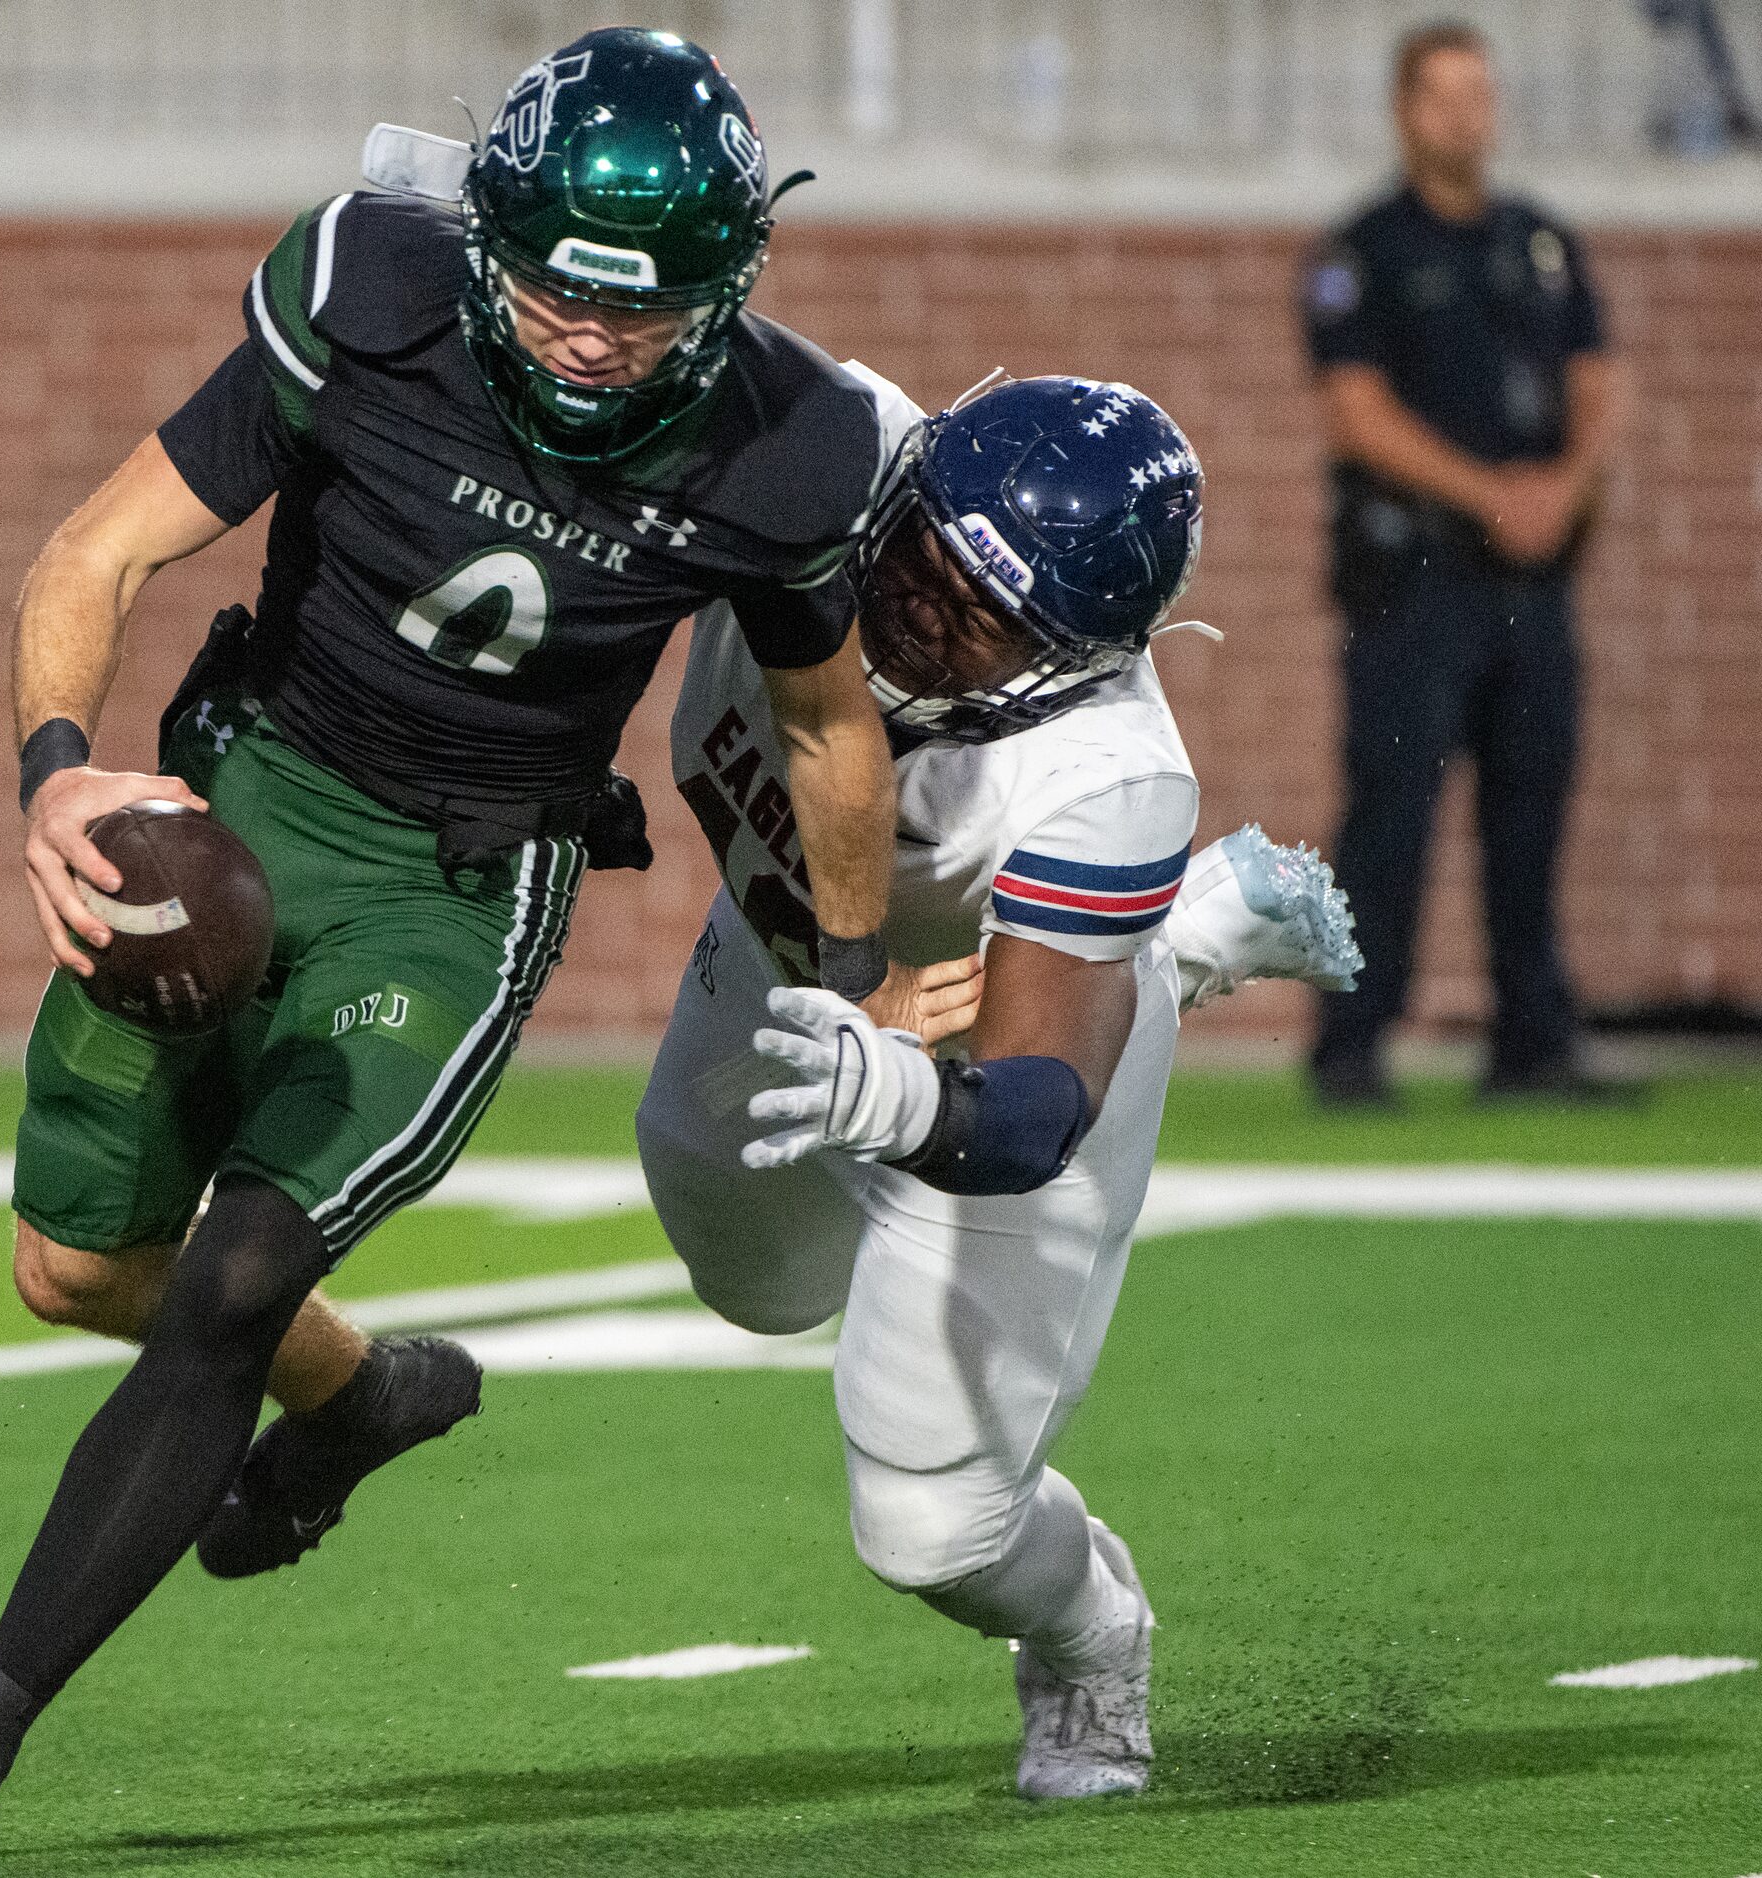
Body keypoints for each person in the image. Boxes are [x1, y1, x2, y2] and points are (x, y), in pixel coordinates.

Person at [0, 29, 905, 1867]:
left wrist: (861, 979)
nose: (585, 335)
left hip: (458, 888)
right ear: (489, 242)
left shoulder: (786, 442)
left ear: (727, 288)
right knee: (74, 1271)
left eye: (638, 309)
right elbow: (92, 557)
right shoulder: (366, 290)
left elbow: (826, 725)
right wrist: (56, 780)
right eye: (555, 284)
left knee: (233, 1270)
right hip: (236, 812)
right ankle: (361, 1390)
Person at [638, 368, 1359, 1801]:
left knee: (930, 1524)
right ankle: (1170, 937)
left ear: (1072, 658)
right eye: (922, 557)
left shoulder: (1101, 773)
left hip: (988, 1037)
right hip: (795, 960)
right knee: (749, 1277)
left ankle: (1095, 1632)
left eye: (984, 614)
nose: (918, 610)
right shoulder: (820, 441)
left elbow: (1031, 1110)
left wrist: (904, 1096)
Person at [1301, 21, 1629, 1109]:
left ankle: (1531, 1041)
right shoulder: (1363, 252)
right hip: (1416, 582)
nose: (1464, 117)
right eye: (1443, 98)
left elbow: (1598, 382)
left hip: (1531, 584)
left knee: (1531, 808)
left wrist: (1563, 488)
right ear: (1404, 111)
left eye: (1479, 95)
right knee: (1390, 809)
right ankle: (1351, 1040)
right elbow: (1355, 415)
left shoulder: (1539, 242)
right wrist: (1494, 495)